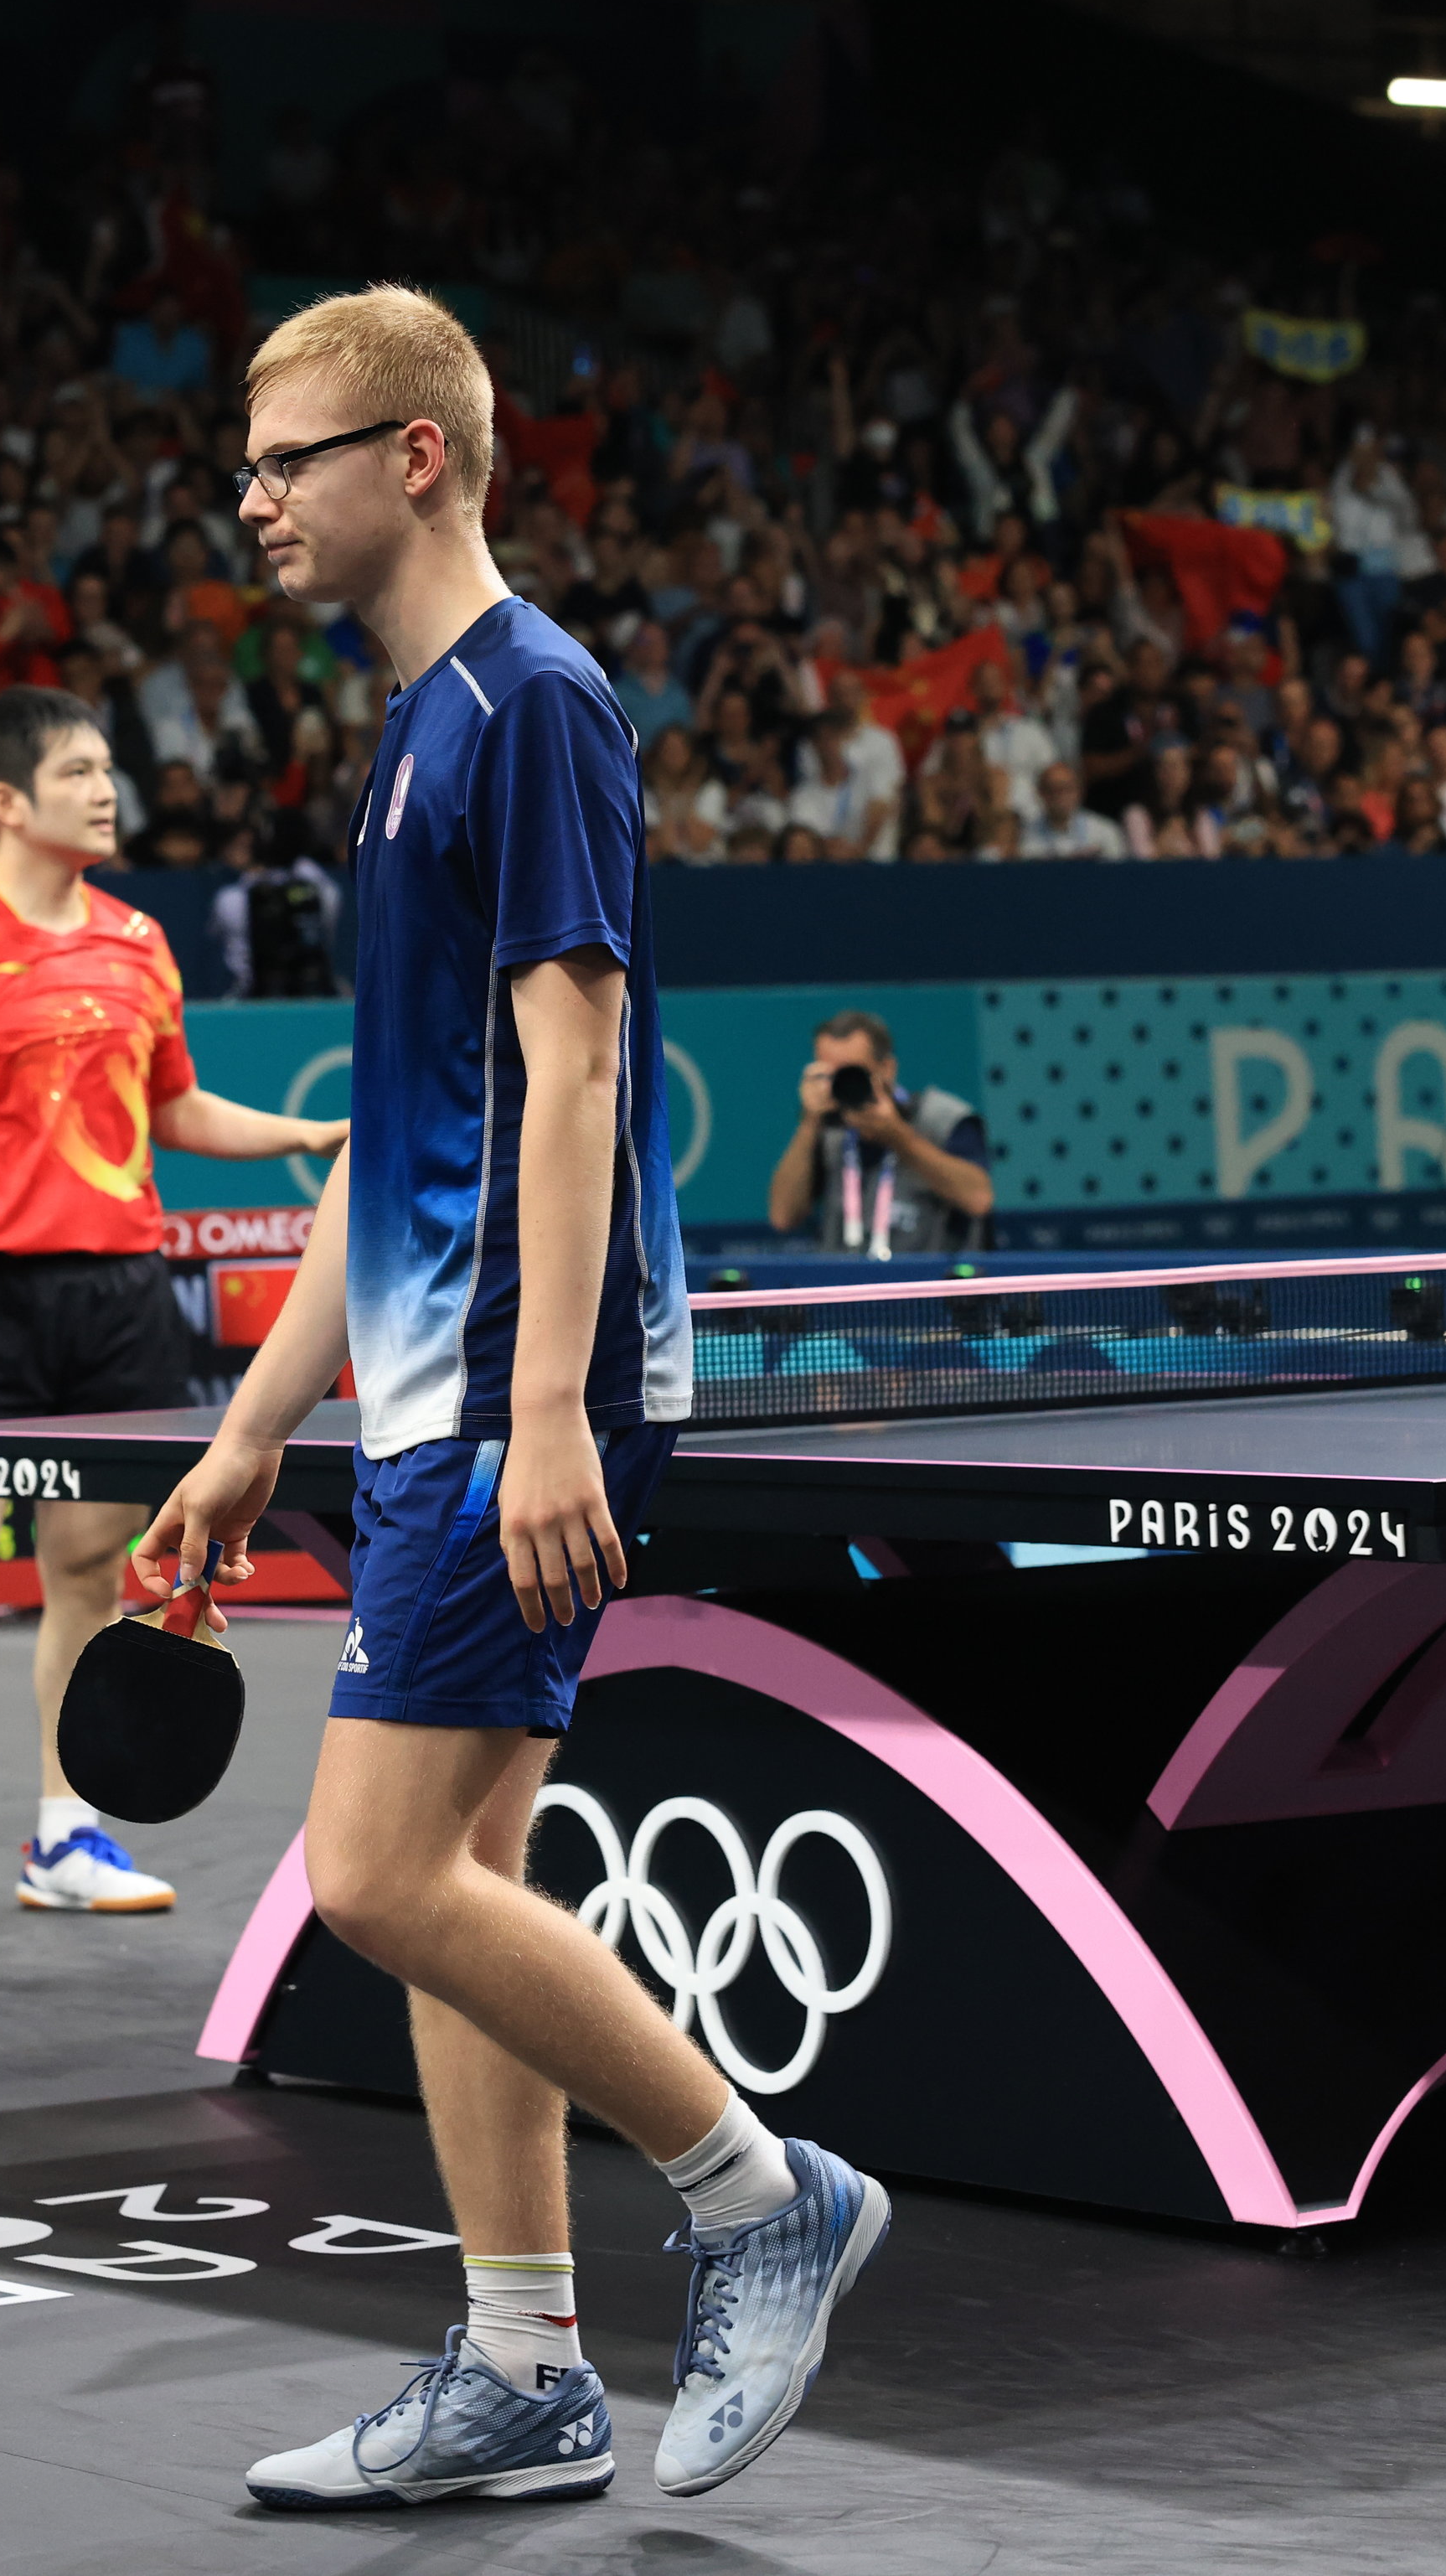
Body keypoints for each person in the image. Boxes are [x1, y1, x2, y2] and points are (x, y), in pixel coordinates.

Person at [132, 287, 885, 2514]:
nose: (254, 496)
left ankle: (765, 2197)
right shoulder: (409, 733)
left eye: (289, 455)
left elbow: (577, 1062)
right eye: (248, 461)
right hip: (442, 1376)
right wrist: (266, 1410)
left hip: (518, 1387)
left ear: (421, 457)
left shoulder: (535, 703)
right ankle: (525, 2363)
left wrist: (545, 1405)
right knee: (464, 1865)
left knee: (370, 1868)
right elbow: (395, 1123)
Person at [0, 685, 347, 1943]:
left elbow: (178, 1108)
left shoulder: (140, 941)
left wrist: (304, 1132)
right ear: (7, 800)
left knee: (94, 1573)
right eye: (83, 770)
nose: (110, 789)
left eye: (109, 768)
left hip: (115, 1298)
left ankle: (66, 1834)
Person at [765, 1009, 994, 1256]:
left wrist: (899, 1137)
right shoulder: (826, 1130)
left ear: (887, 1068)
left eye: (853, 1073)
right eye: (829, 1075)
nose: (843, 1084)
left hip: (929, 1288)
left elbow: (979, 1199)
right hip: (844, 1289)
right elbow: (782, 1217)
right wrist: (808, 1123)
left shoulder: (942, 1118)